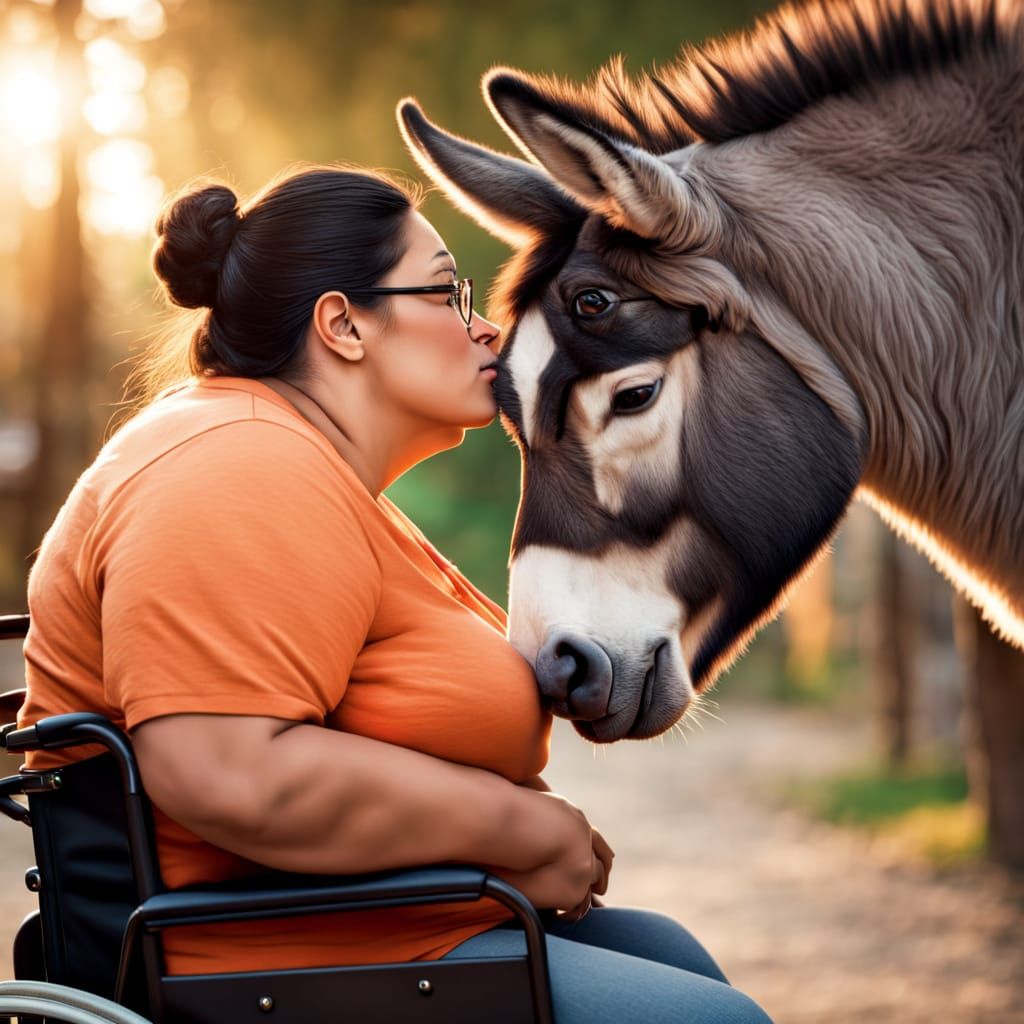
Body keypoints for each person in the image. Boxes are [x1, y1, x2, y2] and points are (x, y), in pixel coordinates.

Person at [18, 164, 771, 1023]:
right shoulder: (232, 464)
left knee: (674, 957)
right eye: (449, 294)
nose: (488, 330)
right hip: (276, 964)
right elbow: (227, 771)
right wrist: (520, 830)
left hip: (393, 933)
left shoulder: (306, 470)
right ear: (343, 324)